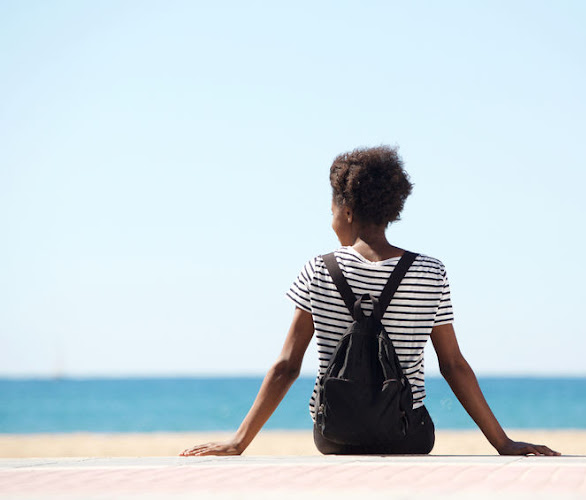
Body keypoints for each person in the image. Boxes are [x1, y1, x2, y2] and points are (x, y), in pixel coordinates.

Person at [181, 146, 559, 457]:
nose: (331, 221)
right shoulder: (430, 272)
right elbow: (454, 366)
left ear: (346, 211)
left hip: (334, 436)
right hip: (408, 435)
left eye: (331, 212)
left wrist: (238, 442)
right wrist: (503, 443)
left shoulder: (318, 269)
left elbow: (286, 367)